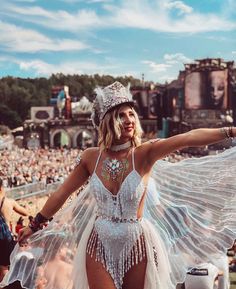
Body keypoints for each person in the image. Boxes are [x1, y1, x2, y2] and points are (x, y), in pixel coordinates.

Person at [1, 81, 236, 289]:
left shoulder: (144, 153)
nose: (129, 120)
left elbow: (188, 138)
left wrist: (230, 130)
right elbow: (62, 193)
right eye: (121, 115)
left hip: (136, 241)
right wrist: (35, 224)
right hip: (98, 242)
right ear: (108, 121)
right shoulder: (90, 158)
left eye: (131, 114)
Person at [0, 178, 28, 282]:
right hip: (6, 237)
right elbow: (25, 212)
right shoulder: (9, 202)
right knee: (5, 266)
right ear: (1, 188)